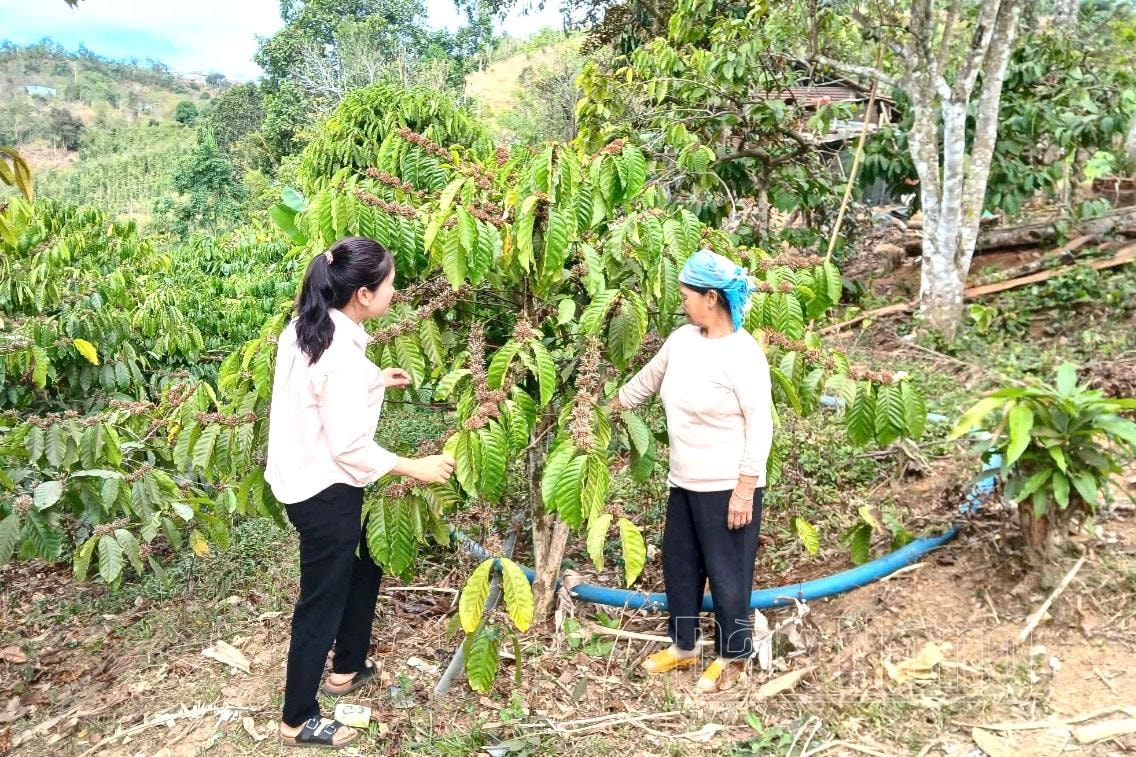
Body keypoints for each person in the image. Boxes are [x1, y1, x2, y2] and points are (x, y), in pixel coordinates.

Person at [266, 237, 455, 748]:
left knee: (365, 562)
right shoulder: (340, 353)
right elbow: (349, 446)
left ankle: (347, 666)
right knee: (321, 600)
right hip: (322, 488)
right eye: (390, 284)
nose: (395, 292)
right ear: (365, 296)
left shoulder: (312, 325)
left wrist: (375, 380)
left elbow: (319, 390)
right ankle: (297, 717)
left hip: (302, 474)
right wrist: (414, 466)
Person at [609, 248, 773, 692]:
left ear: (712, 298)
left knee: (728, 573)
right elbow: (646, 381)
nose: (682, 302)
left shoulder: (743, 354)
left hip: (728, 486)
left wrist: (744, 490)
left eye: (686, 295)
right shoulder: (682, 340)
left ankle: (734, 655)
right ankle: (684, 647)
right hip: (684, 481)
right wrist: (603, 409)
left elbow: (761, 426)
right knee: (680, 566)